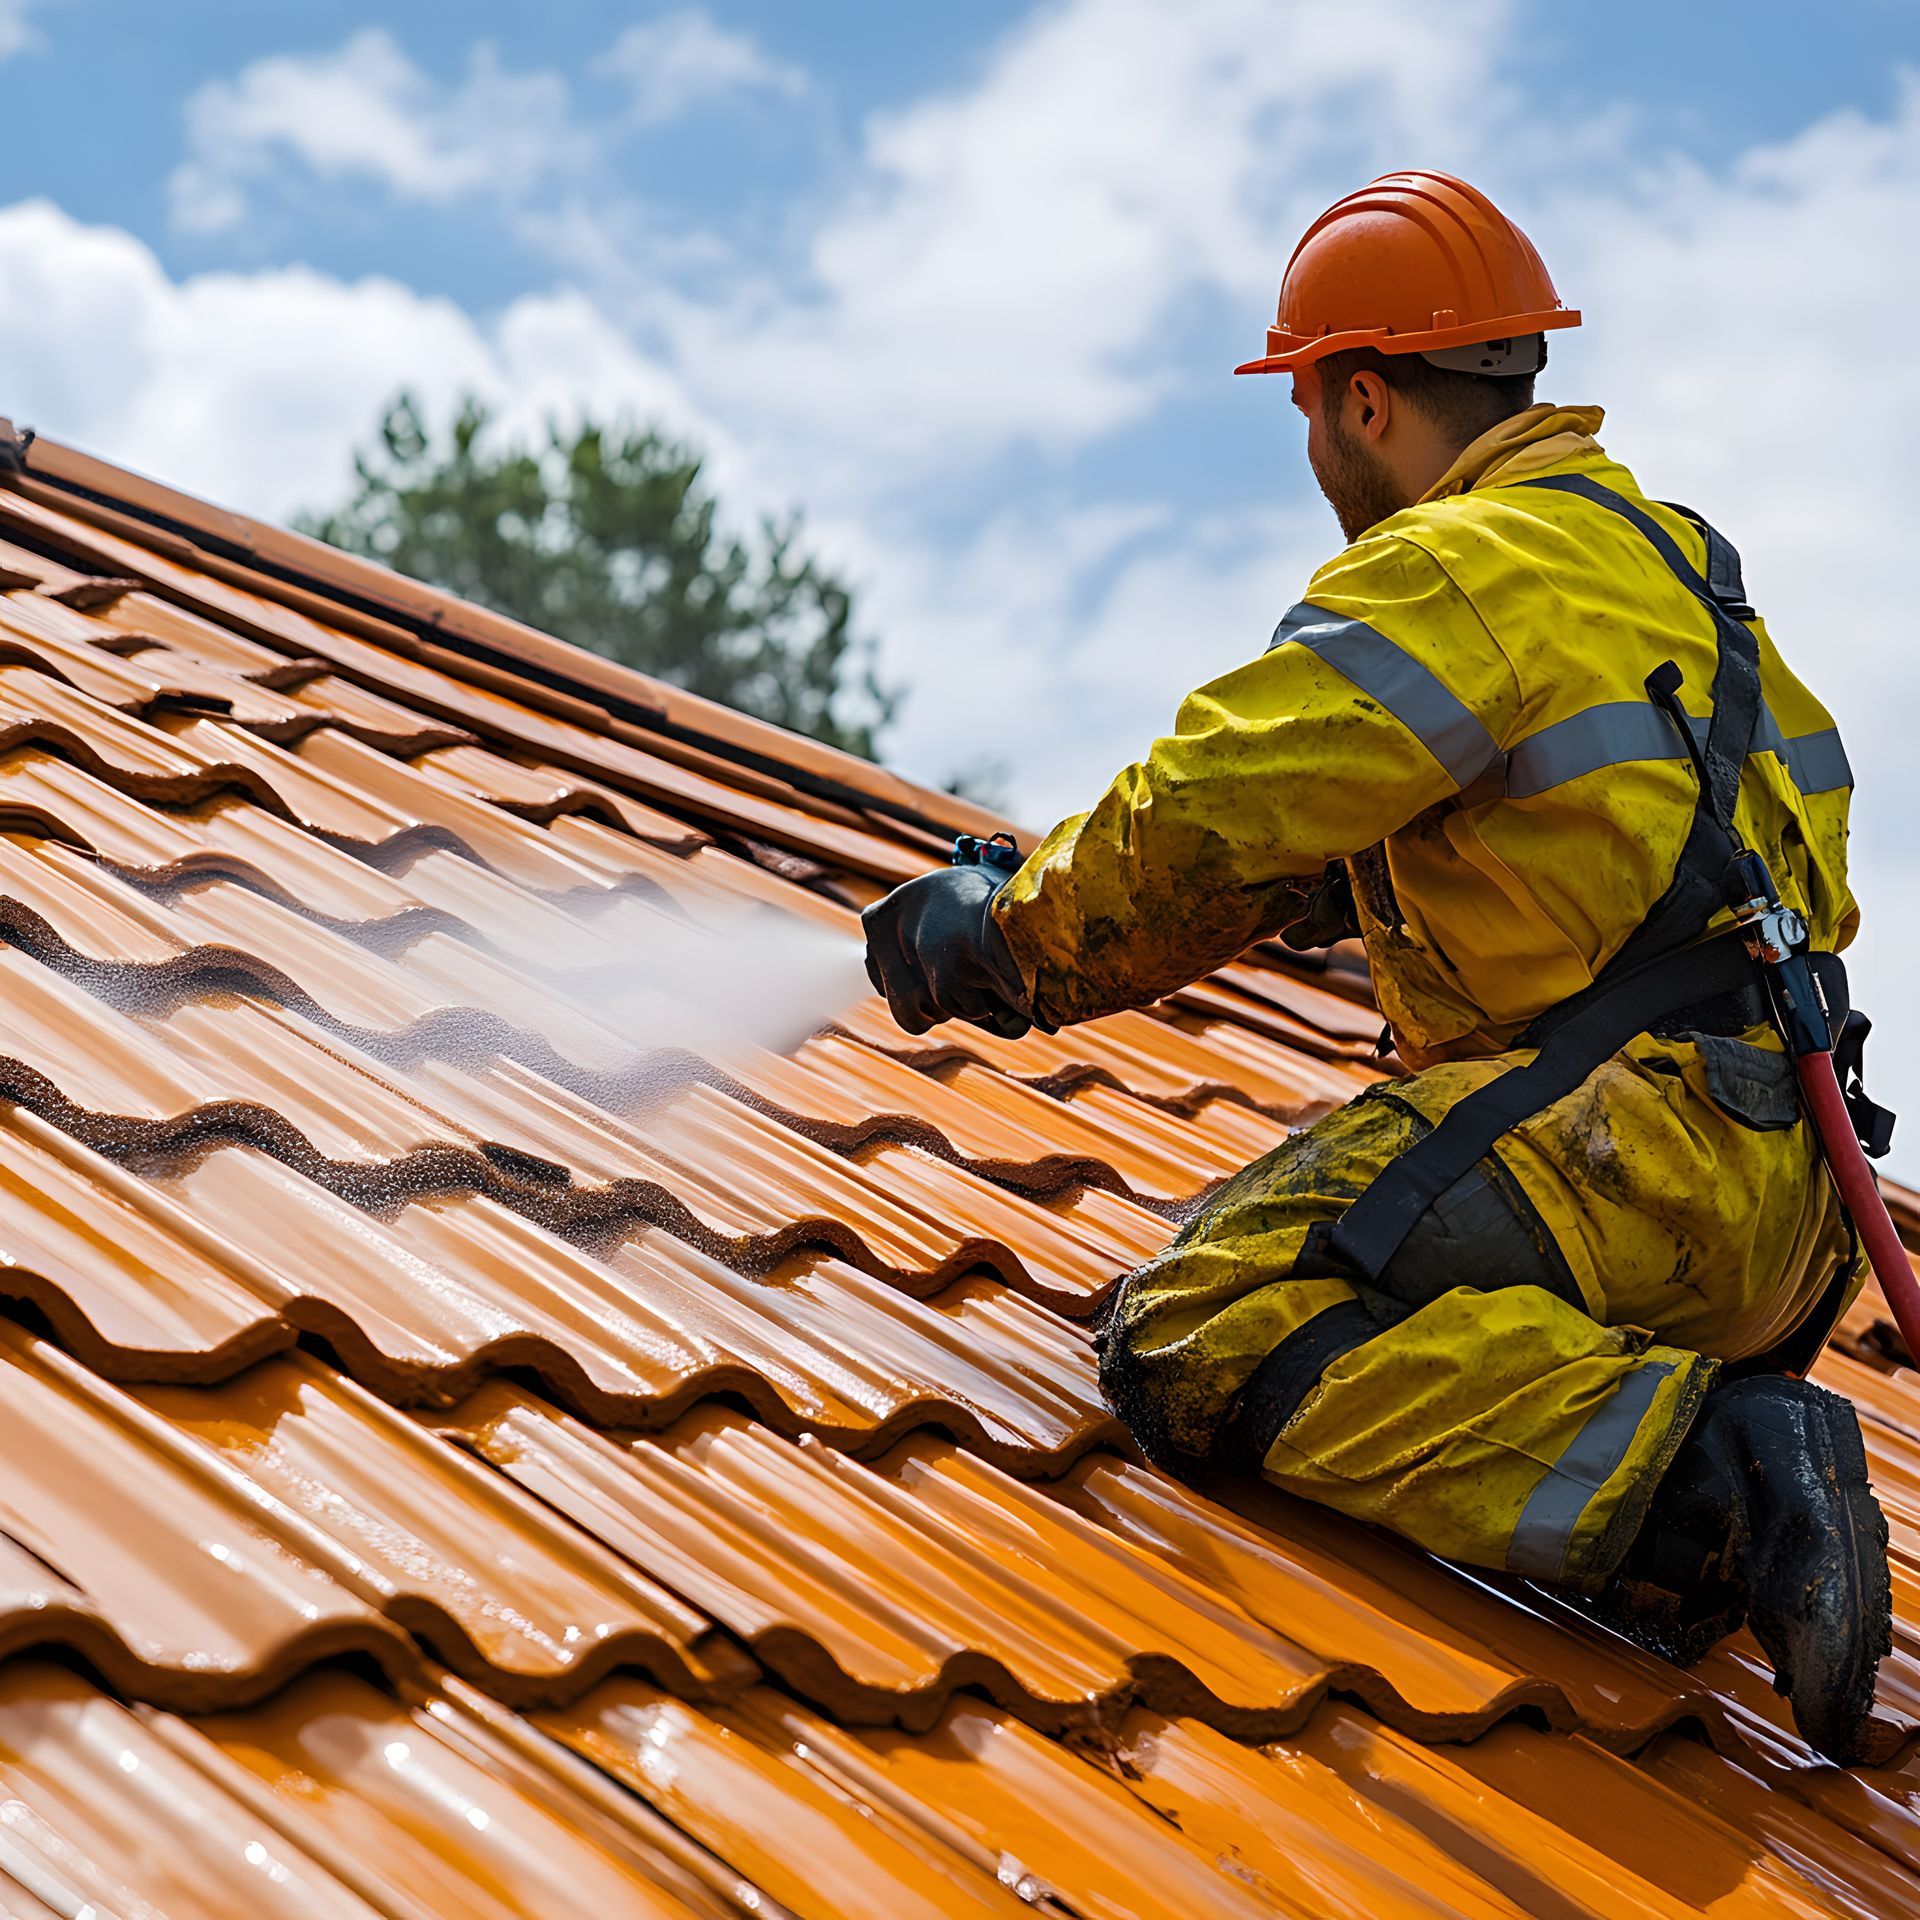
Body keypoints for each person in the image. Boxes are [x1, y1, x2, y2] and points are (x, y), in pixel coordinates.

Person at [861, 171, 1894, 1763]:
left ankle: (1721, 1477)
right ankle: (1682, 1515)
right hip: (1791, 1216)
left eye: (1307, 408)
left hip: (1628, 1170)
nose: (1314, 451)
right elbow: (1617, 871)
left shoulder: (1454, 567)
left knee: (1205, 1316)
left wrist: (1005, 940)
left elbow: (1209, 814)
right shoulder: (1680, 566)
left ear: (1362, 396)